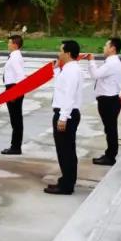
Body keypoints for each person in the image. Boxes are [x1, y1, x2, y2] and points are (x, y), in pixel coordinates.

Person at [47, 40, 83, 195]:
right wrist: (56, 70)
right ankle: (65, 180)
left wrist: (63, 117)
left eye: (60, 50)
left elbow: (69, 95)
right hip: (65, 113)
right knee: (64, 150)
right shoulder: (68, 69)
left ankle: (67, 185)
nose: (58, 53)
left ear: (68, 53)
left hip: (66, 114)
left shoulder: (72, 70)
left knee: (66, 151)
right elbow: (61, 88)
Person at [88, 37, 121, 166]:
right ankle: (110, 154)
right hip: (109, 100)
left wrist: (91, 61)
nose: (104, 48)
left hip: (108, 101)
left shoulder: (112, 63)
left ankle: (110, 157)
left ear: (112, 48)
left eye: (106, 45)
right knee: (110, 129)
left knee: (110, 129)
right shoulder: (112, 62)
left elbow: (95, 75)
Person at [1, 34, 26, 155]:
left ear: (15, 45)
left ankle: (15, 147)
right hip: (13, 89)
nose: (8, 44)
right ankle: (15, 145)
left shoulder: (15, 57)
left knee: (16, 120)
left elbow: (20, 76)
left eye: (9, 42)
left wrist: (15, 93)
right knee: (16, 119)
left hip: (14, 89)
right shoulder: (15, 56)